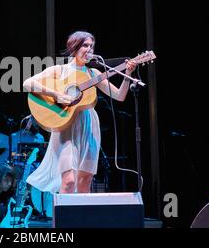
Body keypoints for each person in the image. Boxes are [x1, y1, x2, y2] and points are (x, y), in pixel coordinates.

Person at [23, 31, 137, 194]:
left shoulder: (93, 73)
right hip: (65, 126)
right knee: (69, 181)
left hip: (88, 125)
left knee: (85, 182)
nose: (89, 49)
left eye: (91, 46)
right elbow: (28, 83)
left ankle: (81, 219)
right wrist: (57, 94)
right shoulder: (60, 70)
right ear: (74, 47)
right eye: (85, 45)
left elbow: (119, 96)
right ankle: (63, 219)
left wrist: (128, 75)